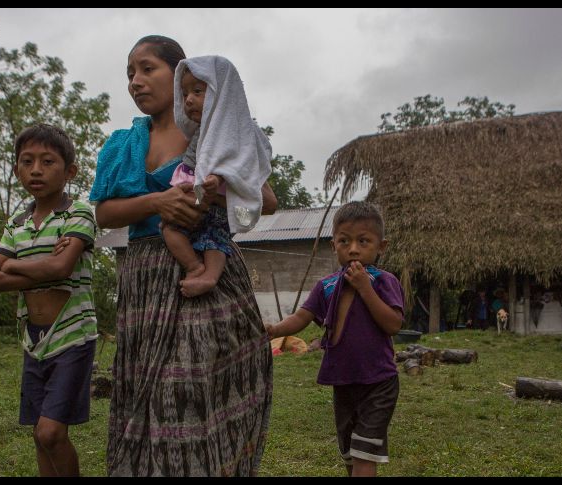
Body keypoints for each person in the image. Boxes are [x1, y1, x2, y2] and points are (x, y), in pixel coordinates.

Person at [90, 35, 277, 476]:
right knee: (150, 395)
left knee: (192, 389)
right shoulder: (123, 144)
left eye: (147, 68)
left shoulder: (214, 129)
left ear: (178, 75)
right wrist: (158, 203)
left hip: (208, 269)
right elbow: (104, 212)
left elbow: (265, 199)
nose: (136, 81)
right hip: (146, 278)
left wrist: (211, 194)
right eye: (129, 73)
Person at [0, 124, 98, 477]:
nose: (36, 170)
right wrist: (42, 265)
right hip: (33, 341)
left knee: (51, 432)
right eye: (27, 161)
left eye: (48, 161)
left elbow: (62, 268)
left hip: (73, 337)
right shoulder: (16, 223)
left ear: (69, 172)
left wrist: (14, 264)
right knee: (38, 434)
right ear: (17, 168)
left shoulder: (78, 213)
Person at [265, 201, 404, 477]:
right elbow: (303, 316)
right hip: (343, 381)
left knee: (365, 454)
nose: (353, 249)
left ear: (381, 246)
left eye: (363, 241)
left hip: (378, 381)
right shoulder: (326, 285)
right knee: (350, 454)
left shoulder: (383, 281)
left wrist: (365, 288)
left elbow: (393, 324)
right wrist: (275, 329)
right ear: (333, 245)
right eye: (344, 241)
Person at [162, 55, 272, 298]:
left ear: (221, 93)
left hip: (216, 201)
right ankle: (194, 266)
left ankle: (210, 277)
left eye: (198, 91)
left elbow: (232, 160)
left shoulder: (232, 131)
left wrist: (217, 181)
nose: (189, 99)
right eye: (184, 93)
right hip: (193, 199)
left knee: (214, 238)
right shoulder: (198, 132)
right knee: (169, 229)